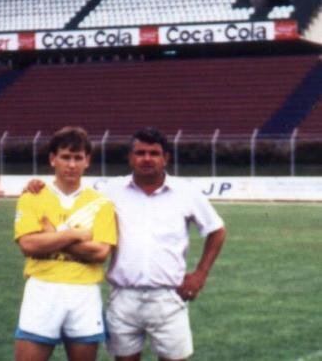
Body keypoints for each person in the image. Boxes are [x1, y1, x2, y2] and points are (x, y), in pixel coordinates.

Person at [26, 127, 226, 361]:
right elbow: (72, 188)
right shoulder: (110, 191)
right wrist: (38, 185)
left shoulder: (186, 192)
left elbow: (217, 230)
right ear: (130, 157)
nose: (147, 159)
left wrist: (200, 274)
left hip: (168, 297)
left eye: (154, 153)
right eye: (140, 153)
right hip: (123, 297)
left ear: (166, 158)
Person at [14, 126, 117, 361]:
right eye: (65, 157)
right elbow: (29, 245)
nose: (71, 164)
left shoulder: (101, 203)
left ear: (87, 161)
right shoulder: (33, 196)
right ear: (53, 159)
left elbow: (100, 252)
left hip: (84, 294)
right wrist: (75, 234)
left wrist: (52, 235)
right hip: (42, 289)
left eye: (78, 158)